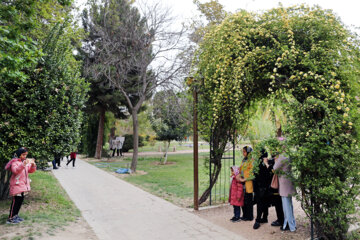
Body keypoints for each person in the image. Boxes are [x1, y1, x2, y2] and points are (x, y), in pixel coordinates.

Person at [7, 147, 36, 224]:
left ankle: (15, 215)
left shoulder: (24, 162)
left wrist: (33, 165)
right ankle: (11, 218)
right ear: (19, 154)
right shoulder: (15, 162)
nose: (25, 156)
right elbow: (16, 171)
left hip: (22, 185)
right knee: (15, 202)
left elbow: (31, 170)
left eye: (26, 155)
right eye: (23, 155)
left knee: (20, 201)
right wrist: (23, 164)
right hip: (16, 185)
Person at [274, 154, 296, 232]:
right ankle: (291, 224)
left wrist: (275, 160)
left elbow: (275, 168)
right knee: (289, 205)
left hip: (284, 183)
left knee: (286, 206)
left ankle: (290, 226)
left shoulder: (282, 156)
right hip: (289, 180)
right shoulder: (288, 154)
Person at [253, 149, 272, 229]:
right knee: (264, 203)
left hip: (261, 186)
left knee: (261, 203)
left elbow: (258, 174)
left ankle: (258, 220)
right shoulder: (264, 162)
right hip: (264, 186)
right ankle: (264, 218)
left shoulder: (262, 163)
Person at [237, 146, 254, 221]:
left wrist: (245, 179)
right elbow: (241, 169)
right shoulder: (244, 160)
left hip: (248, 182)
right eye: (243, 151)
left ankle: (249, 216)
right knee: (243, 200)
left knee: (249, 200)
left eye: (244, 151)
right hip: (242, 182)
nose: (243, 153)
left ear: (248, 152)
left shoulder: (251, 161)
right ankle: (245, 215)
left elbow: (253, 173)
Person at [267, 154, 284, 228]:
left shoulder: (278, 159)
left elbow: (273, 170)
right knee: (278, 203)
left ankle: (281, 220)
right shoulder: (277, 158)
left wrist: (266, 164)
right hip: (278, 184)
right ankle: (281, 219)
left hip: (277, 185)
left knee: (278, 203)